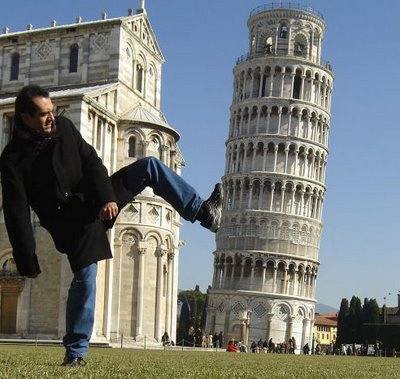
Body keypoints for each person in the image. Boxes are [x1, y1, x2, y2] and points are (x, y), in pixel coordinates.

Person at [0, 85, 223, 366]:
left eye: (52, 111)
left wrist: (106, 196)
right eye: (44, 114)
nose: (51, 118)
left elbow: (92, 162)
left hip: (96, 200)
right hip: (71, 224)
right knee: (86, 280)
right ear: (24, 118)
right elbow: (15, 209)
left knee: (149, 167)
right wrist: (26, 257)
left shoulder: (64, 128)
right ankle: (76, 353)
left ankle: (205, 213)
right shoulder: (12, 160)